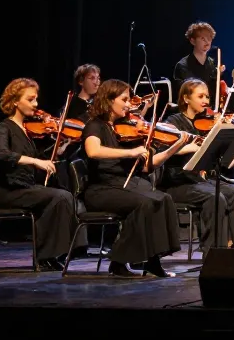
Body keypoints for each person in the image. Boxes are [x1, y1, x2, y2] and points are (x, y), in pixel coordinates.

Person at [80, 79, 188, 277]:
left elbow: (147, 166)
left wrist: (174, 148)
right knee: (144, 204)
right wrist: (130, 153)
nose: (129, 104)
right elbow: (93, 151)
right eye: (125, 100)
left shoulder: (125, 128)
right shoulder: (95, 126)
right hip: (101, 189)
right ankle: (119, 262)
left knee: (163, 199)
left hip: (126, 184)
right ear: (108, 100)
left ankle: (153, 260)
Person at [0, 78, 79, 270]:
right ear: (15, 101)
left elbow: (39, 157)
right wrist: (36, 161)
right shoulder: (5, 127)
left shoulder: (27, 130)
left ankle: (56, 253)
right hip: (8, 190)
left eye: (36, 99)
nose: (36, 104)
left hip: (26, 188)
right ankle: (47, 255)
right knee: (60, 197)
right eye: (30, 99)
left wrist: (58, 149)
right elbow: (1, 154)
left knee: (64, 195)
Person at [159, 79, 234, 249]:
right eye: (200, 96)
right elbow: (164, 149)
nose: (206, 101)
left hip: (201, 180)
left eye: (207, 97)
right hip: (178, 182)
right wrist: (190, 147)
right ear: (186, 98)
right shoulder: (173, 122)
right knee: (215, 197)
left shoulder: (206, 123)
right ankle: (213, 249)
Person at [171, 21, 225, 99]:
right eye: (203, 39)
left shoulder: (212, 63)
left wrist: (218, 75)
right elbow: (184, 94)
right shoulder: (182, 65)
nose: (207, 42)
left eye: (209, 38)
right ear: (192, 41)